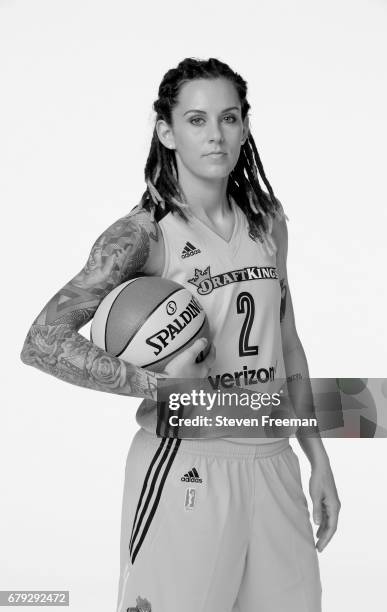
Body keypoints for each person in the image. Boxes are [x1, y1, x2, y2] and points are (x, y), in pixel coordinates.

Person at [21, 57, 341, 612]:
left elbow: (287, 341)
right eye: (196, 120)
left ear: (245, 125)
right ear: (166, 130)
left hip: (273, 459)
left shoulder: (268, 221)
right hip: (186, 461)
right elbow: (44, 341)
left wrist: (318, 458)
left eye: (230, 117)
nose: (216, 134)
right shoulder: (141, 233)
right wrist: (161, 387)